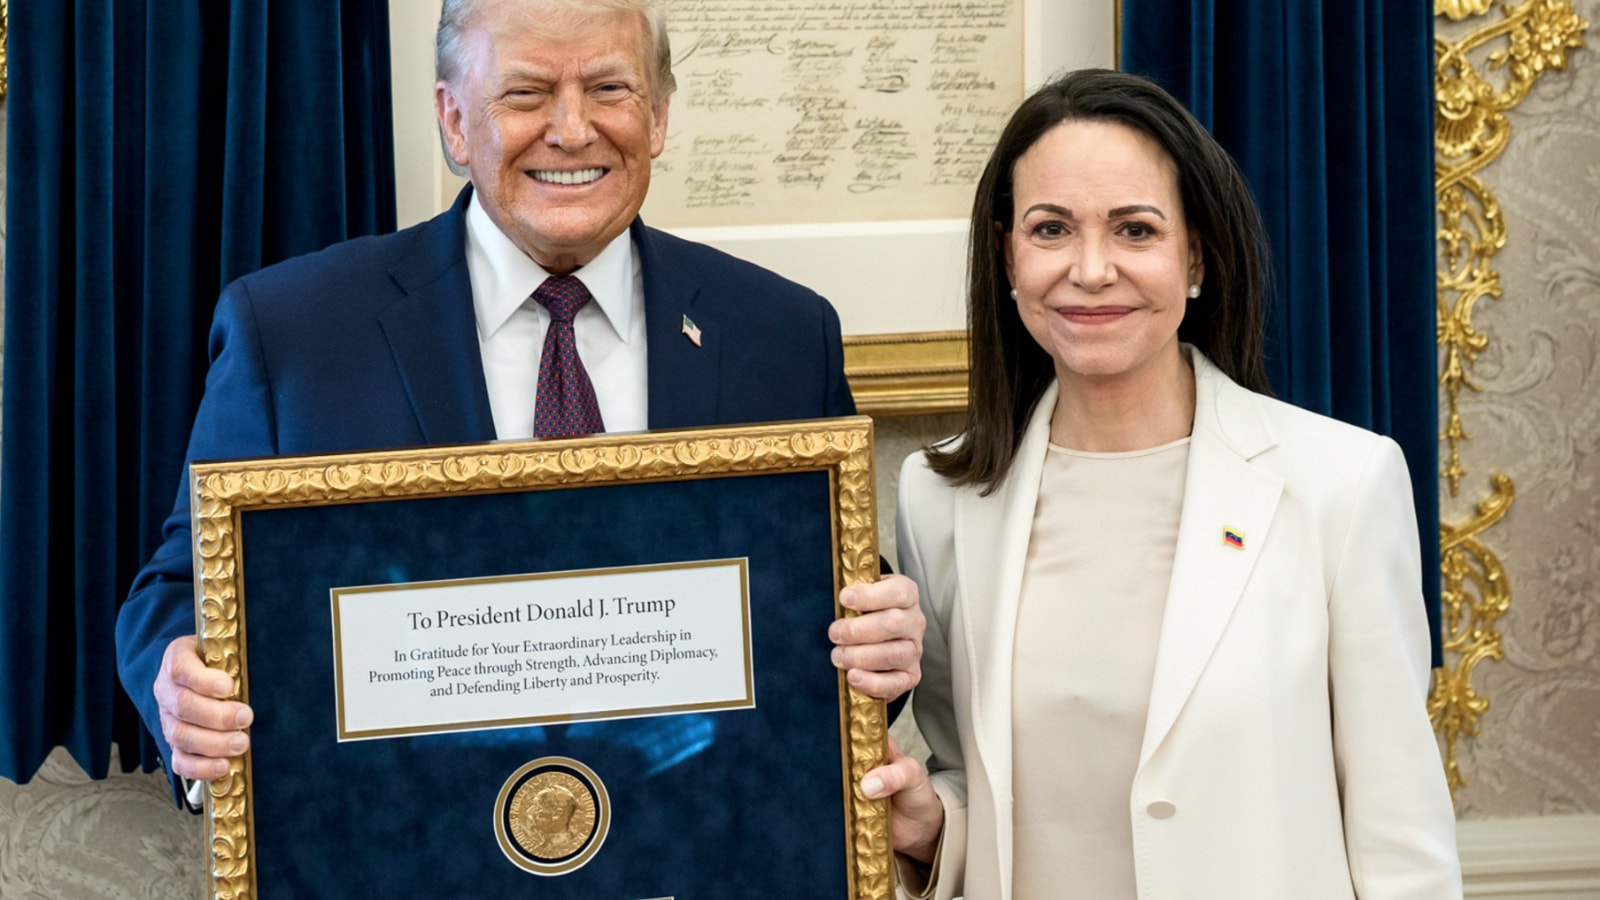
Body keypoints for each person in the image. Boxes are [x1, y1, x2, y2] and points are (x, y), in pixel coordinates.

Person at [115, 0, 922, 807]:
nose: (572, 131)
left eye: (610, 88)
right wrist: (183, 687)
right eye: (527, 94)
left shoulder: (780, 334)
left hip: (697, 844)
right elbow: (184, 585)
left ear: (660, 115)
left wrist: (881, 645)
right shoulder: (293, 332)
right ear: (454, 120)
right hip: (401, 850)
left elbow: (827, 598)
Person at [864, 69, 1462, 899]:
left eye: (1135, 230)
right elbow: (974, 776)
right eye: (1051, 230)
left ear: (1197, 259)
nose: (1092, 269)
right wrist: (935, 828)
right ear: (1008, 253)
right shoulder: (938, 495)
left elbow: (1402, 837)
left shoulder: (1343, 485)